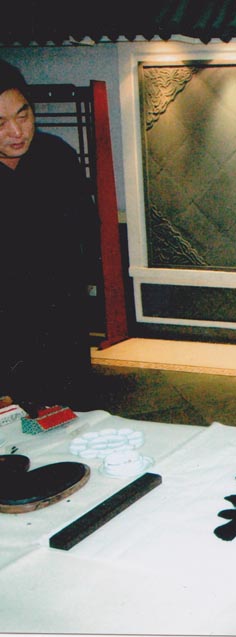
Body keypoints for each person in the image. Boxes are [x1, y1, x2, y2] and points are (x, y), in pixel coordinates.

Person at [0, 59, 100, 410]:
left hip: (62, 316)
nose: (17, 132)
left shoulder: (56, 156)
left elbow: (86, 227)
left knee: (72, 413)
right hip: (7, 327)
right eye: (0, 123)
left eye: (23, 115)